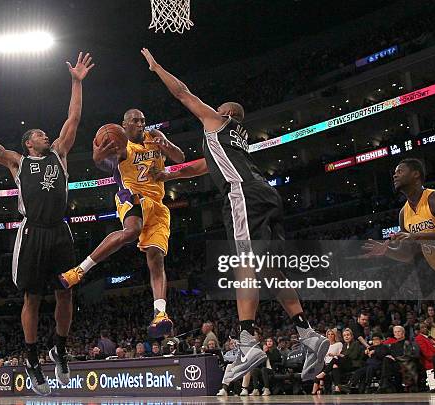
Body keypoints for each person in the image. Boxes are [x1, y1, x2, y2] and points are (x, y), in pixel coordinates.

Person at [139, 47, 329, 386]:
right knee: (270, 268)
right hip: (265, 195)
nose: (212, 108)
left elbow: (183, 93)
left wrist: (157, 68)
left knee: (244, 266)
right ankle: (308, 334)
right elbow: (202, 166)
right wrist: (167, 175)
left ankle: (246, 341)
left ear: (226, 113)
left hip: (242, 196)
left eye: (218, 107)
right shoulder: (233, 140)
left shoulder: (217, 121)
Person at [0, 51, 94, 396]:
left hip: (60, 232)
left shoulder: (60, 153)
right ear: (28, 142)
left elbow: (74, 117)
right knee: (33, 299)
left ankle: (59, 348)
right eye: (39, 134)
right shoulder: (17, 162)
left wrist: (76, 82)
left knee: (66, 293)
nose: (45, 136)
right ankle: (31, 358)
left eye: (44, 134)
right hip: (33, 233)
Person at [60, 107, 184, 338]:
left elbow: (180, 158)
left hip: (157, 204)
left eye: (143, 120)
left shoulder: (156, 137)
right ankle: (79, 271)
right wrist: (98, 157)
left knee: (156, 259)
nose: (141, 123)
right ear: (124, 125)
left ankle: (160, 314)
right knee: (132, 230)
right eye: (135, 120)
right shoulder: (121, 146)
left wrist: (167, 146)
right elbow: (105, 165)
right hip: (131, 196)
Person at [364, 158, 435, 391]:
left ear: (416, 174)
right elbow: (408, 255)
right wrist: (387, 251)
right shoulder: (404, 214)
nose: (394, 175)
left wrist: (416, 237)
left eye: (399, 171)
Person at [312, 328, 342, 394]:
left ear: (335, 336)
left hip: (334, 362)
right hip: (325, 364)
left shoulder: (339, 344)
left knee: (334, 365)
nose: (330, 336)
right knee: (319, 364)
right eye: (329, 334)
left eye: (332, 334)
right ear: (327, 335)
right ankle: (319, 387)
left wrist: (333, 355)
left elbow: (339, 356)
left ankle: (320, 387)